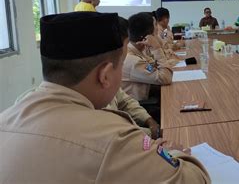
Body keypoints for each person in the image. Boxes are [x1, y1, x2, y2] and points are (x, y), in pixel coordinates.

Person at [0, 12, 209, 183]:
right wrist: (173, 152)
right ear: (105, 74)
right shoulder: (113, 139)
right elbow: (195, 179)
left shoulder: (8, 117)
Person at [122, 12, 173, 102]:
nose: (157, 28)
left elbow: (154, 66)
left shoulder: (137, 50)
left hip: (148, 96)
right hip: (142, 105)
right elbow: (166, 78)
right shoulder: (133, 60)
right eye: (155, 25)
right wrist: (157, 49)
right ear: (147, 36)